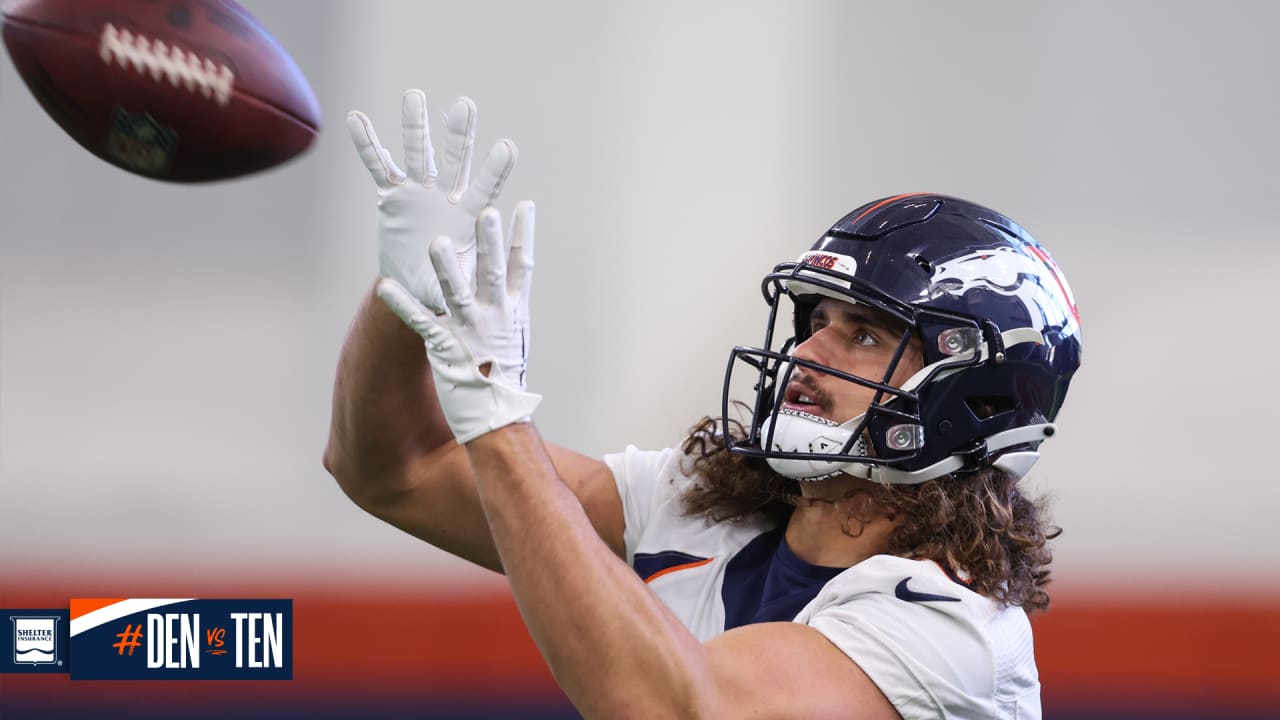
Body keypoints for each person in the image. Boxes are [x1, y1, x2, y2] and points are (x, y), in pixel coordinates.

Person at [326, 90, 1082, 719]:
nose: (808, 353)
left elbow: (672, 707)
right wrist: (408, 294)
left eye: (863, 334)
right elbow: (395, 469)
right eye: (815, 322)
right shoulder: (700, 508)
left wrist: (497, 418)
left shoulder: (955, 631)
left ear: (974, 391)